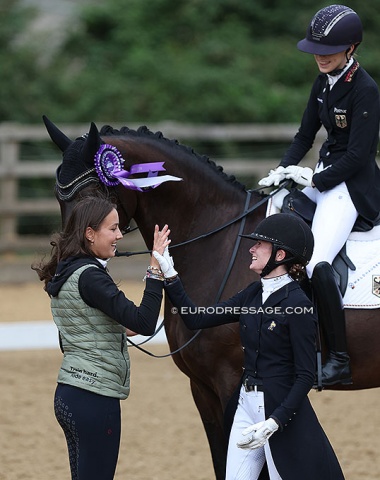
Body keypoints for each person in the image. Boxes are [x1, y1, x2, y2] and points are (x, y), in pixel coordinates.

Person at [153, 214, 345, 480]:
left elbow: (305, 376)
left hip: (278, 414)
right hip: (245, 406)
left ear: (279, 256)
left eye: (260, 245)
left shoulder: (298, 305)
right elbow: (196, 317)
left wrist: (275, 421)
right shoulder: (252, 294)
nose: (252, 249)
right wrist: (170, 274)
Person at [258, 4, 380, 386]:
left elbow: (360, 156)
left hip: (351, 188)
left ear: (352, 48)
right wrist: (281, 172)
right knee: (273, 222)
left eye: (329, 50)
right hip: (325, 178)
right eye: (316, 50)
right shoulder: (323, 83)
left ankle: (339, 357)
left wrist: (314, 181)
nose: (320, 57)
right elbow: (304, 136)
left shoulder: (366, 90)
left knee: (315, 263)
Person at [32, 196, 170, 480]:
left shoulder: (67, 270)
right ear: (90, 233)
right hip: (94, 398)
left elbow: (104, 325)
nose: (120, 235)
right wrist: (155, 268)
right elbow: (143, 322)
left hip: (70, 393)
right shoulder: (91, 277)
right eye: (114, 228)